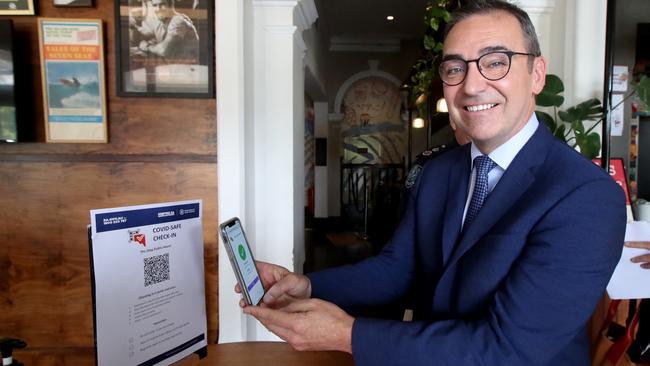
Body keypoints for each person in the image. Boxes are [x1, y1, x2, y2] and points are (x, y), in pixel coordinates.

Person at [239, 1, 627, 364]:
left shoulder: (586, 196)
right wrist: (306, 286)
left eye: (495, 62)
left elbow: (507, 349)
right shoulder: (438, 172)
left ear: (537, 74)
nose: (472, 86)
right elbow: (397, 269)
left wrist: (348, 335)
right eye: (456, 68)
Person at [129, 0, 199, 63]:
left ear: (170, 5)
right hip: (174, 70)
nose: (158, 9)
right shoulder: (159, 23)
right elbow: (150, 42)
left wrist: (146, 46)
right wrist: (133, 26)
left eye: (162, 4)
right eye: (155, 5)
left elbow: (163, 51)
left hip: (188, 71)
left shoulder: (178, 21)